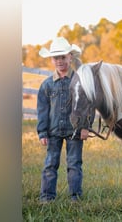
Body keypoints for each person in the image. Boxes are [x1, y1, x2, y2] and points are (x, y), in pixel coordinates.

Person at [37, 37, 90, 203]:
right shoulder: (47, 85)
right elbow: (42, 110)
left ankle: (75, 197)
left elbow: (88, 105)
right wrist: (42, 132)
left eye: (63, 57)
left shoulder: (79, 82)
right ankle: (47, 197)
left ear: (70, 57)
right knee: (50, 164)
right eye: (56, 58)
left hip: (75, 131)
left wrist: (85, 127)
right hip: (53, 131)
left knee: (74, 164)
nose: (60, 61)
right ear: (52, 60)